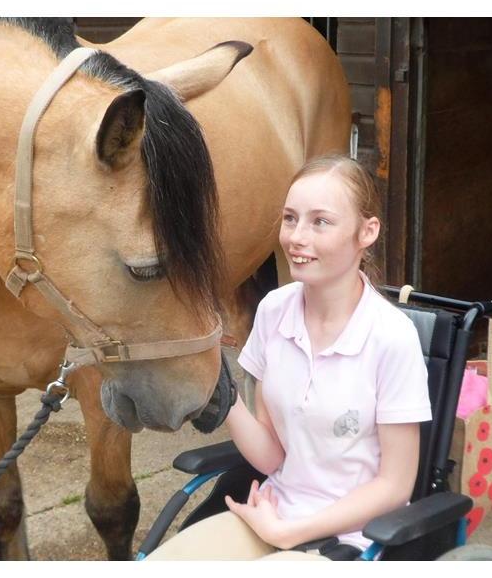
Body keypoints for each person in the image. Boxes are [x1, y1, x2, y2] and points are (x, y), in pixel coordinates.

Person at [145, 155, 429, 561]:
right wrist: (220, 393)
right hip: (272, 513)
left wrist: (291, 530)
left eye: (320, 222)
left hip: (350, 539)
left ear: (367, 232)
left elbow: (395, 487)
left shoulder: (391, 338)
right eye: (290, 218)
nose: (297, 237)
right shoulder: (274, 311)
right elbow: (273, 455)